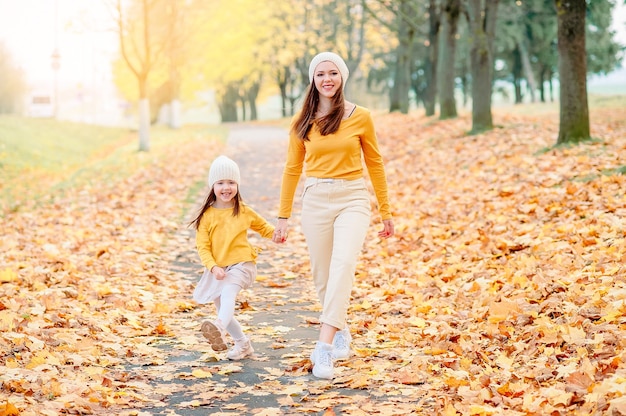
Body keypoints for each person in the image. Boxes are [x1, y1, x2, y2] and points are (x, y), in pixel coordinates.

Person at [272, 51, 395, 379]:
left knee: (343, 265)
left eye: (333, 73)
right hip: (315, 199)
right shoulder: (301, 122)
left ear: (342, 78)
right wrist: (283, 216)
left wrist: (386, 211)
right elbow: (292, 169)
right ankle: (340, 328)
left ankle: (323, 348)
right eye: (321, 74)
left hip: (352, 198)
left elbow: (376, 163)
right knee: (323, 276)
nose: (327, 79)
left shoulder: (361, 116)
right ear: (313, 79)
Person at [190, 155, 277, 360]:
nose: (226, 187)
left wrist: (277, 234)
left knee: (228, 295)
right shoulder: (207, 217)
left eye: (231, 182)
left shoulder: (243, 211)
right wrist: (212, 267)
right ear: (213, 186)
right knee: (223, 309)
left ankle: (218, 328)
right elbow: (202, 247)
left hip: (242, 264)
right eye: (220, 183)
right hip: (219, 269)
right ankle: (242, 344)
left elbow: (263, 227)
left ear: (237, 184)